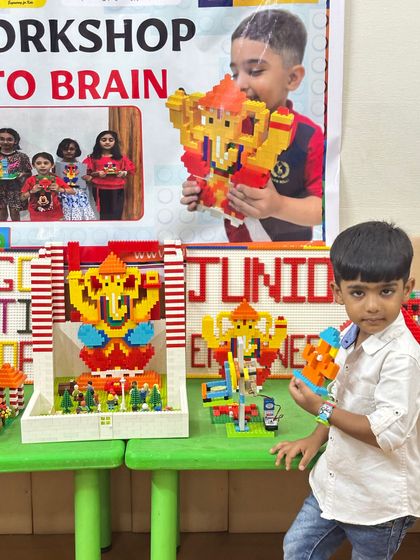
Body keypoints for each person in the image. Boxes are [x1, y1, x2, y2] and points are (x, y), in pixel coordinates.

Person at [270, 221, 420, 559]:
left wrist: (318, 409)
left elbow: (385, 433)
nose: (371, 306)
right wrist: (315, 435)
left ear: (406, 289)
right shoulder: (348, 335)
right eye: (358, 292)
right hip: (334, 487)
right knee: (297, 549)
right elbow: (341, 397)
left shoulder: (403, 358)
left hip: (379, 503)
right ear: (338, 292)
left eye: (386, 291)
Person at [181, 9, 323, 242]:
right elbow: (214, 173)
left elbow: (323, 208)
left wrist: (279, 206)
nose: (240, 84)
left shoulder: (309, 137)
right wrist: (200, 188)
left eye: (255, 71)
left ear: (292, 78)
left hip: (290, 258)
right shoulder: (227, 127)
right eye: (235, 73)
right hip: (239, 255)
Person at [83, 130, 135, 220]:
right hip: (100, 190)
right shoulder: (92, 158)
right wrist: (96, 174)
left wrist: (123, 173)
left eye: (111, 140)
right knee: (104, 215)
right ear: (98, 142)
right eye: (104, 140)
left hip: (118, 190)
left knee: (117, 215)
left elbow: (131, 169)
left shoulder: (121, 158)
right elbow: (83, 173)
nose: (107, 142)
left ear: (115, 142)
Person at [21, 152, 75, 221]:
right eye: (38, 163)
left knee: (56, 232)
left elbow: (72, 192)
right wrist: (32, 191)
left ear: (52, 165)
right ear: (33, 165)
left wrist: (60, 189)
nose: (42, 166)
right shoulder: (30, 180)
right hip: (36, 216)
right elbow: (22, 198)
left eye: (46, 163)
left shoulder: (56, 179)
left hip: (55, 216)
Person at [55, 138, 97, 221]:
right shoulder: (56, 167)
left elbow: (90, 181)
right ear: (61, 150)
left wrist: (89, 178)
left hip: (79, 195)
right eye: (65, 149)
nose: (69, 151)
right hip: (62, 194)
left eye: (71, 149)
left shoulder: (82, 166)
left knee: (80, 217)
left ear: (76, 150)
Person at [0, 128, 31, 221]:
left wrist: (22, 174)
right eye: (1, 139)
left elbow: (29, 172)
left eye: (9, 139)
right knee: (1, 214)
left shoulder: (22, 157)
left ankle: (17, 234)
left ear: (15, 141)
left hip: (16, 190)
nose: (5, 142)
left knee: (16, 215)